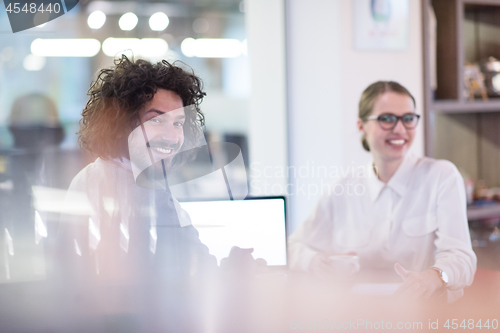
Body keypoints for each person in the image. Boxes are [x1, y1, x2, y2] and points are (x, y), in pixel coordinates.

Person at [49, 56, 257, 332]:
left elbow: (189, 267)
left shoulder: (143, 184)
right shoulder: (112, 187)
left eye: (178, 124)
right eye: (156, 120)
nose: (172, 137)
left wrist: (229, 269)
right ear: (123, 123)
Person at [288, 81, 476, 302]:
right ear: (361, 125)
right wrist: (314, 261)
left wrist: (435, 277)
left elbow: (461, 257)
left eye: (408, 118)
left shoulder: (441, 177)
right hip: (358, 313)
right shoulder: (342, 189)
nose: (399, 129)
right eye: (386, 119)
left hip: (426, 314)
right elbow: (293, 246)